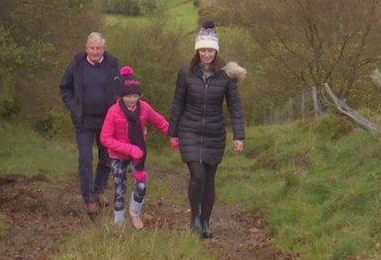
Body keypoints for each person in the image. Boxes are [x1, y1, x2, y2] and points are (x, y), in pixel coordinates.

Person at [169, 20, 246, 239]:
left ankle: (206, 221)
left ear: (216, 51)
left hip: (214, 132)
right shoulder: (185, 73)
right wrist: (173, 133)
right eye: (202, 50)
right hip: (190, 130)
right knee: (197, 175)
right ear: (197, 50)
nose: (206, 54)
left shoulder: (226, 76)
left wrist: (238, 135)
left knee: (209, 179)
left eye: (210, 50)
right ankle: (194, 217)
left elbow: (235, 107)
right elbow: (177, 104)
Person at [100, 66, 170, 229]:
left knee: (141, 186)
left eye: (135, 96)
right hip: (118, 156)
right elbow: (105, 138)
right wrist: (129, 149)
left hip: (138, 156)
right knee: (119, 188)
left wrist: (173, 134)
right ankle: (119, 220)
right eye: (128, 96)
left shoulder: (144, 108)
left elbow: (160, 121)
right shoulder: (113, 111)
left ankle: (135, 213)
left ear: (139, 95)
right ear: (122, 96)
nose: (132, 100)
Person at [59, 32, 121, 219]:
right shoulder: (77, 64)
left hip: (107, 121)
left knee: (106, 159)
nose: (94, 51)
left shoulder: (113, 64)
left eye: (98, 48)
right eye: (91, 48)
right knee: (85, 159)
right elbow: (65, 87)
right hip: (84, 120)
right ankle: (89, 199)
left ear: (104, 48)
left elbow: (122, 88)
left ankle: (99, 190)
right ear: (86, 48)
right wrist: (73, 107)